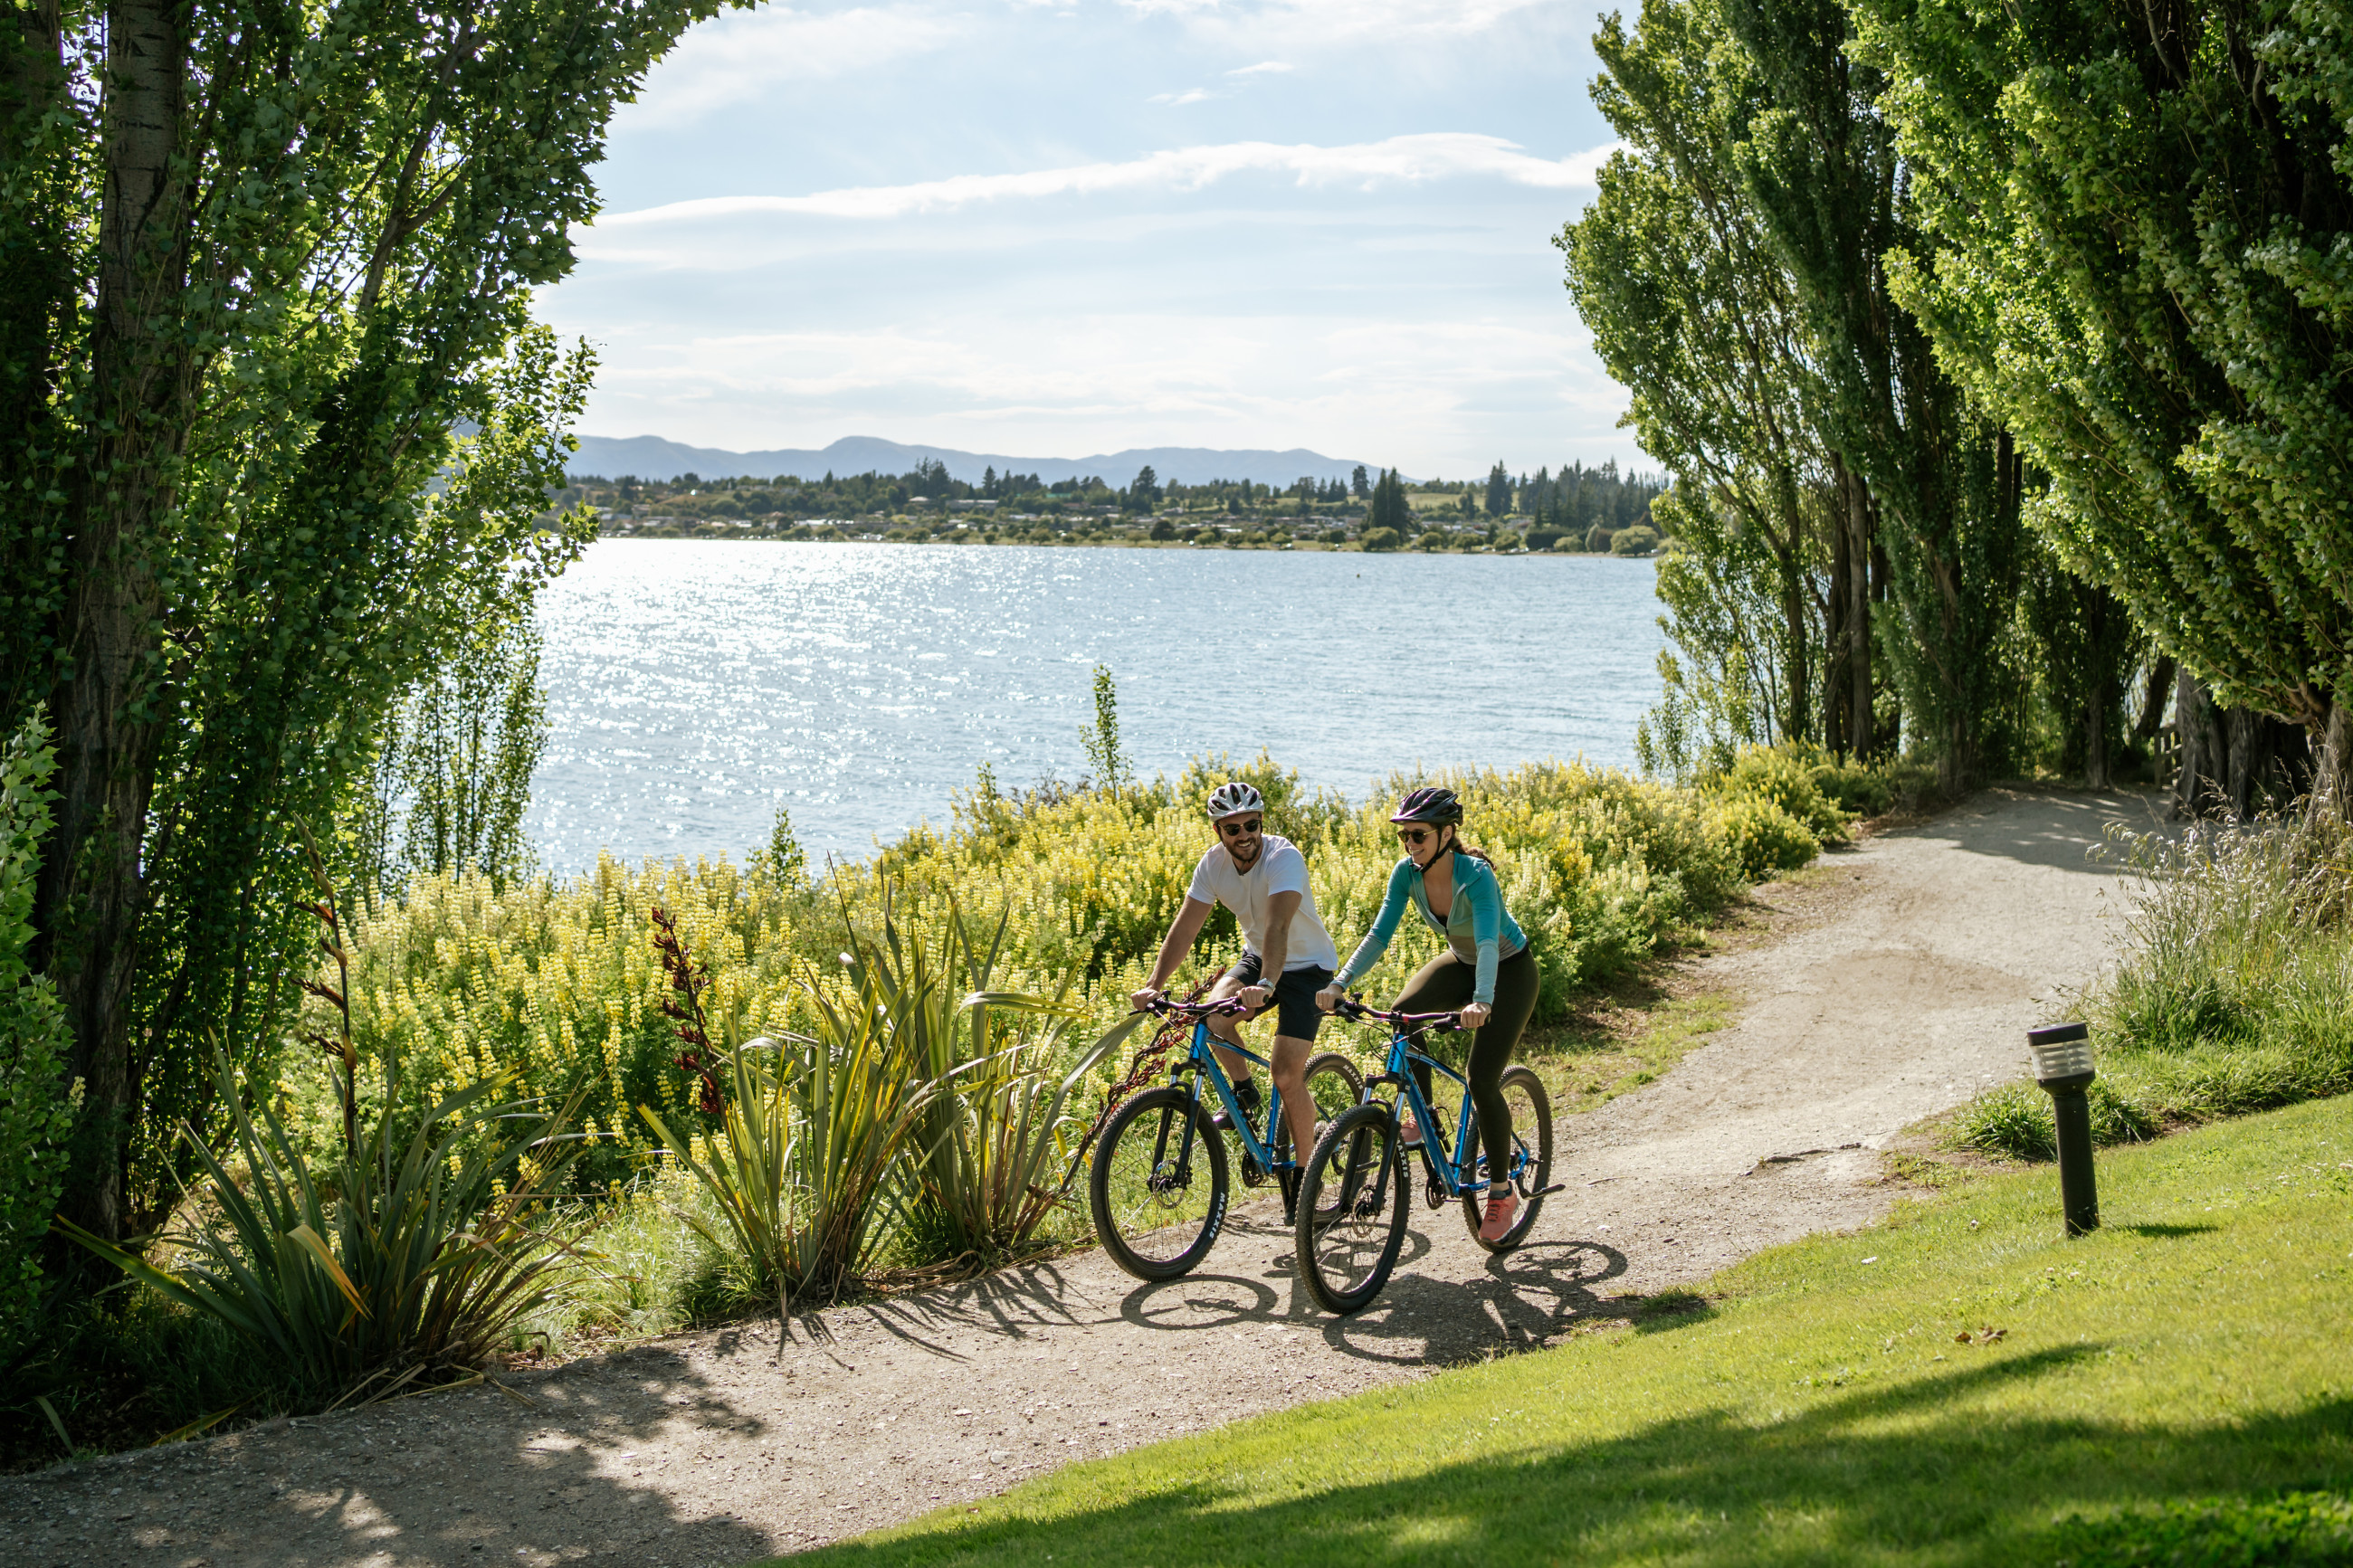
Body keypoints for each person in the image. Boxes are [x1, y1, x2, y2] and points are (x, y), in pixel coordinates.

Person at [1318, 785, 1540, 1242]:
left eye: (1418, 835)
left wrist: (1482, 1001)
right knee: (1402, 1015)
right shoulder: (1407, 874)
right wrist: (1340, 983)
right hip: (1463, 965)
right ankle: (1423, 1121)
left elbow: (1485, 942)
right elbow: (1379, 936)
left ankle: (1501, 1191)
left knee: (1480, 1076)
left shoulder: (1475, 875)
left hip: (1510, 971)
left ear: (1446, 833)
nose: (1410, 844)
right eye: (1404, 837)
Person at [1130, 781, 1340, 1182]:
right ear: (1218, 832)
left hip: (1307, 968)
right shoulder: (1213, 865)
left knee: (1285, 1072)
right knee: (1214, 1017)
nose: (1245, 835)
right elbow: (1185, 929)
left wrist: (1266, 985)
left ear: (1261, 823)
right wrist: (1154, 984)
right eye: (1233, 828)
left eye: (1252, 825)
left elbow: (1277, 927)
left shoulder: (1284, 858)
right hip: (1259, 958)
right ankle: (1245, 1091)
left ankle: (1305, 1176)